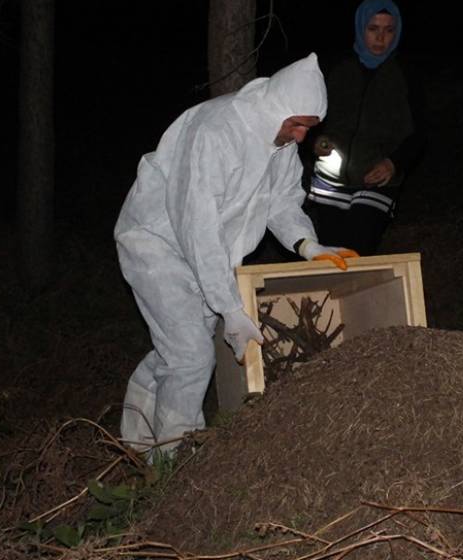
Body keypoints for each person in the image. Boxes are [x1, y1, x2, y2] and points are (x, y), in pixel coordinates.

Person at [115, 53, 357, 457]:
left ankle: (136, 439)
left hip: (213, 255)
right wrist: (228, 305)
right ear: (277, 109)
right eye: (297, 125)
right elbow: (196, 223)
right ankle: (172, 461)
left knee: (176, 349)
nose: (301, 137)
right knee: (191, 356)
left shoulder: (278, 142)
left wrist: (308, 245)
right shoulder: (218, 129)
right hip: (157, 243)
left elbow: (281, 203)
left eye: (309, 128)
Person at [305, 0, 427, 256]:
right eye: (374, 29)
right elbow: (312, 116)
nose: (381, 38)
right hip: (331, 176)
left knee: (358, 250)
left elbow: (419, 132)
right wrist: (316, 140)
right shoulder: (337, 68)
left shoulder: (406, 74)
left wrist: (393, 163)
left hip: (378, 179)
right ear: (361, 28)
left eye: (388, 30)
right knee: (330, 253)